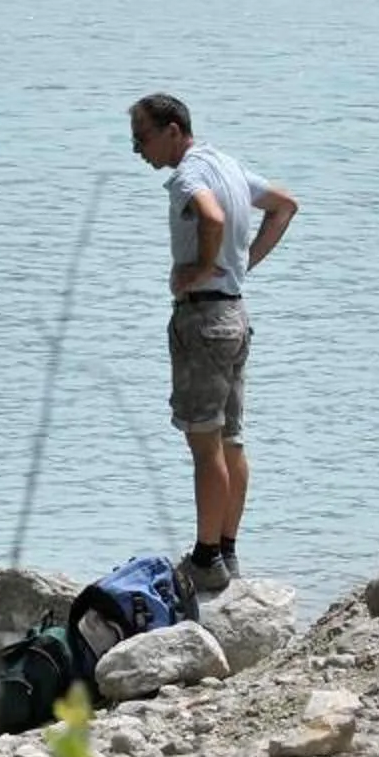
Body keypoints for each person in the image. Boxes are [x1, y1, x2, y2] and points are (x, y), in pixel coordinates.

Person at [127, 93, 297, 590]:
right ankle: (226, 551)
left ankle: (204, 560)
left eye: (143, 137)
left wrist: (202, 268)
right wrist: (242, 266)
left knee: (205, 444)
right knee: (230, 439)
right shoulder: (228, 164)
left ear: (174, 130)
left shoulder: (188, 176)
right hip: (235, 314)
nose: (137, 149)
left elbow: (214, 219)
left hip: (203, 318)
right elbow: (285, 206)